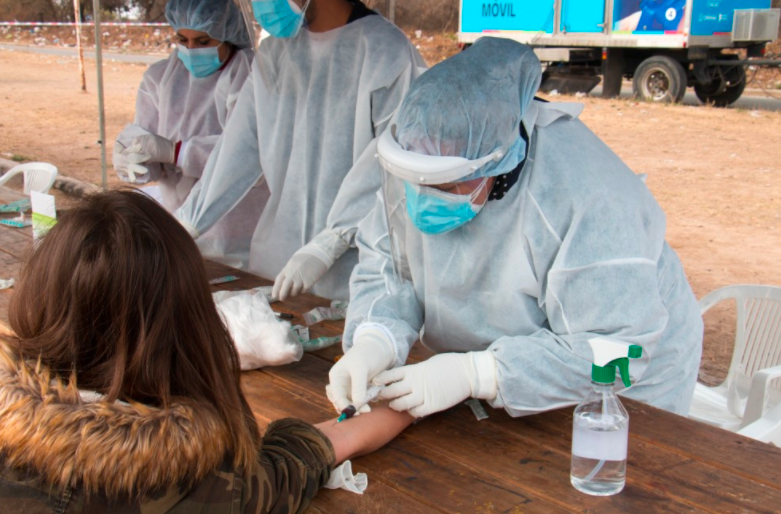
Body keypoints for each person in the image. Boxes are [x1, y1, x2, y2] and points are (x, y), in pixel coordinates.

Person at [326, 37, 704, 420]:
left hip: (633, 386)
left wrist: (482, 373)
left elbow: (617, 347)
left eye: (445, 184)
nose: (424, 198)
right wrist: (375, 339)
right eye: (416, 181)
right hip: (502, 380)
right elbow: (387, 261)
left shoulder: (587, 197)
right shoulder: (416, 155)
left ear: (497, 163)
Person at [0, 190, 413, 513]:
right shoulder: (207, 488)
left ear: (39, 300)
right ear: (192, 327)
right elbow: (310, 450)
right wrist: (418, 394)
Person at [174, 0, 426, 301]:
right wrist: (186, 223)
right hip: (275, 263)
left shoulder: (385, 51)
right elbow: (237, 148)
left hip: (353, 272)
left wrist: (331, 240)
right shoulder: (274, 53)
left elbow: (392, 160)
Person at [113, 0, 264, 269]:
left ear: (227, 35)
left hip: (237, 230)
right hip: (176, 224)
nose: (191, 50)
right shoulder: (160, 78)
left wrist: (178, 152)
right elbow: (151, 153)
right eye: (182, 39)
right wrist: (134, 160)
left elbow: (250, 153)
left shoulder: (253, 74)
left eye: (203, 41)